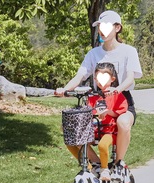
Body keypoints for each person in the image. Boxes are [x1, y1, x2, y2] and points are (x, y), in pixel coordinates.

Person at [56, 10, 142, 169]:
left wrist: (117, 90)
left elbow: (130, 78)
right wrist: (64, 89)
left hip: (121, 102)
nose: (103, 30)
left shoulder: (128, 51)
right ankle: (96, 164)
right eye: (101, 26)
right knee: (72, 127)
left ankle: (118, 163)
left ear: (117, 28)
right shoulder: (93, 53)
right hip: (97, 102)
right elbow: (80, 76)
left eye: (107, 26)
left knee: (123, 123)